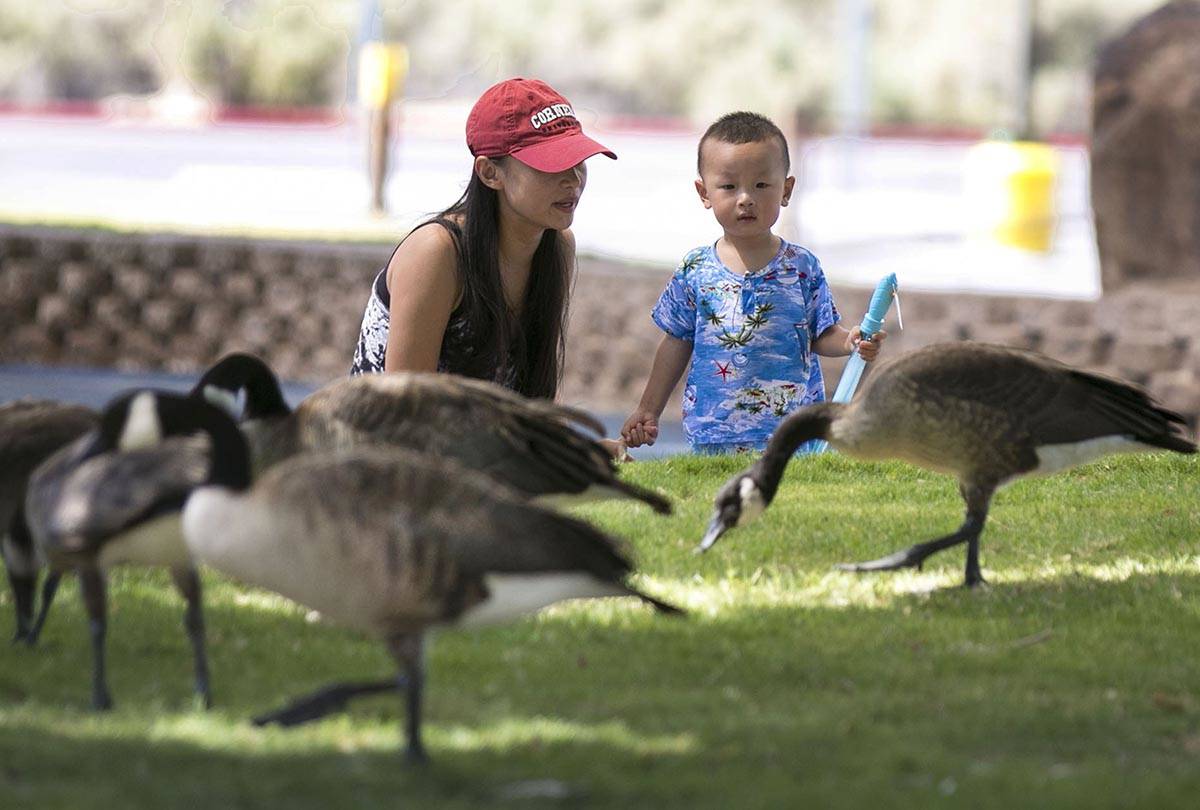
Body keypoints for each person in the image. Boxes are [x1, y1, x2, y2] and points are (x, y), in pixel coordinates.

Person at [621, 111, 886, 455]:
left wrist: (851, 341)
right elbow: (676, 342)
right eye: (729, 186)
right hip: (713, 433)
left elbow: (821, 334)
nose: (746, 198)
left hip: (794, 434)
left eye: (761, 185)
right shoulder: (695, 269)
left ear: (786, 189)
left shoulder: (801, 267)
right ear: (704, 193)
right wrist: (647, 410)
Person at [351, 77, 616, 407]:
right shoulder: (437, 252)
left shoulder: (558, 246)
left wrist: (572, 448)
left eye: (578, 159)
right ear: (490, 173)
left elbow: (533, 400)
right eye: (552, 165)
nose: (573, 179)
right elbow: (406, 411)